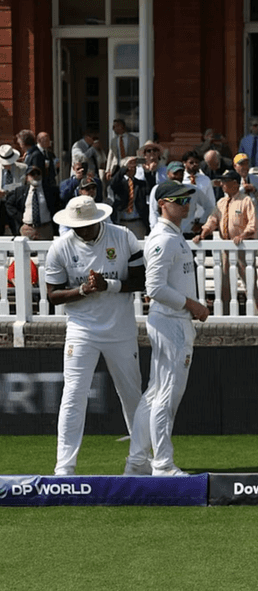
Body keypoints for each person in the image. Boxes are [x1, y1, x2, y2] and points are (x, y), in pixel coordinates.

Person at [45, 196, 145, 475]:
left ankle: (139, 463)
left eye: (88, 225)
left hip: (121, 329)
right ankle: (64, 468)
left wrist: (108, 285)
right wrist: (82, 291)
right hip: (81, 330)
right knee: (73, 396)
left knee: (131, 395)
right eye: (78, 226)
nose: (83, 230)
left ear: (99, 219)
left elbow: (141, 280)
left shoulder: (124, 237)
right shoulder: (60, 247)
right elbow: (52, 295)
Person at [127, 181, 210, 476]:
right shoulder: (164, 239)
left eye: (188, 200)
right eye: (178, 200)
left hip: (173, 320)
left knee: (155, 393)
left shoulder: (174, 236)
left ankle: (137, 461)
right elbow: (155, 288)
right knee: (166, 394)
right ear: (163, 203)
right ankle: (162, 463)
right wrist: (192, 304)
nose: (185, 205)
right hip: (170, 321)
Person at [193, 170, 258, 313]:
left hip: (243, 248)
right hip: (226, 248)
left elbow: (252, 225)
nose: (222, 185)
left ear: (235, 184)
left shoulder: (246, 201)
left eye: (225, 182)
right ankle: (226, 313)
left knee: (250, 283)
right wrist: (204, 232)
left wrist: (242, 235)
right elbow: (213, 220)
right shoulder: (221, 202)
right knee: (224, 283)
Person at [5, 166, 54, 240]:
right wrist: (20, 217)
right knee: (25, 251)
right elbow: (9, 204)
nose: (36, 176)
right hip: (27, 228)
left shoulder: (49, 190)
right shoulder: (21, 191)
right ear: (27, 178)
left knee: (46, 250)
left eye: (38, 174)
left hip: (45, 228)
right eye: (32, 174)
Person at [109, 156, 150, 237]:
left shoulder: (140, 184)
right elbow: (113, 183)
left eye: (134, 167)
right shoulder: (120, 183)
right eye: (130, 167)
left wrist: (147, 172)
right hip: (121, 222)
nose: (132, 169)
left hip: (137, 222)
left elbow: (150, 188)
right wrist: (124, 168)